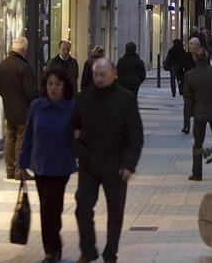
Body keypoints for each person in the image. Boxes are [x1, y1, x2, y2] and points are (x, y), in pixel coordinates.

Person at [72, 58, 143, 263]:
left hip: (116, 165)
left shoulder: (126, 99)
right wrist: (79, 151)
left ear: (114, 74)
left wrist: (129, 164)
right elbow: (73, 128)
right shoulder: (84, 97)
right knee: (83, 206)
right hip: (89, 163)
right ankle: (88, 249)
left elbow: (134, 134)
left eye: (103, 74)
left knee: (115, 213)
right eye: (96, 74)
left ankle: (110, 252)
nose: (99, 78)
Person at [19, 69, 77, 263]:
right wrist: (22, 163)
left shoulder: (71, 108)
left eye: (57, 84)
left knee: (50, 207)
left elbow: (81, 136)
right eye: (50, 84)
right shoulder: (36, 106)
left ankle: (52, 251)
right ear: (45, 86)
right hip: (40, 165)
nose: (53, 88)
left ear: (64, 87)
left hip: (60, 166)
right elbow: (28, 136)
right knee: (48, 208)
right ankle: (52, 248)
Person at [0, 36, 39, 180]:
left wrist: (8, 98)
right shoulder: (24, 67)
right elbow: (31, 91)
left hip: (8, 108)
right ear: (23, 49)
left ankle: (10, 169)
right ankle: (20, 171)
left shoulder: (2, 65)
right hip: (23, 109)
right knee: (21, 139)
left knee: (10, 137)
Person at [184, 47, 212, 181]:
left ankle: (197, 173)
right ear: (207, 57)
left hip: (199, 112)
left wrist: (191, 112)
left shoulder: (190, 75)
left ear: (194, 58)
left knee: (198, 143)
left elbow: (188, 98)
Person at [181, 38, 199, 134]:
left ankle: (197, 126)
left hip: (199, 86)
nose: (189, 45)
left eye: (191, 44)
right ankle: (186, 126)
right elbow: (181, 68)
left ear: (197, 45)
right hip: (188, 85)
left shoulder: (201, 56)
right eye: (189, 44)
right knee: (186, 106)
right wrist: (181, 79)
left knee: (198, 107)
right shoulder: (186, 56)